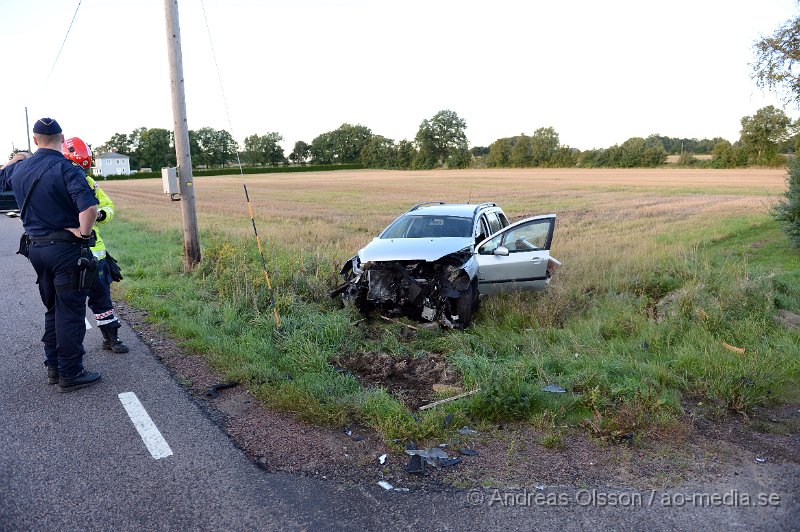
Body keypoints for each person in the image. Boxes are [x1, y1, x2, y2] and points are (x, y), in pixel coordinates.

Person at [0, 118, 102, 392]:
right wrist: (82, 233)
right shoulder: (67, 168)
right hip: (65, 251)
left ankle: (54, 365)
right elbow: (89, 208)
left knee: (53, 308)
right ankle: (71, 372)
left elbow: (1, 177)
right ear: (62, 137)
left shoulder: (20, 169)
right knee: (70, 310)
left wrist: (18, 157)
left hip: (36, 249)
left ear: (35, 140)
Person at [62, 137, 130, 354]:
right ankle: (69, 352)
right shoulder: (56, 184)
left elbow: (108, 206)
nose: (81, 175)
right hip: (68, 253)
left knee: (102, 298)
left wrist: (101, 214)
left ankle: (111, 339)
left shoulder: (90, 183)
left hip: (95, 253)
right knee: (71, 303)